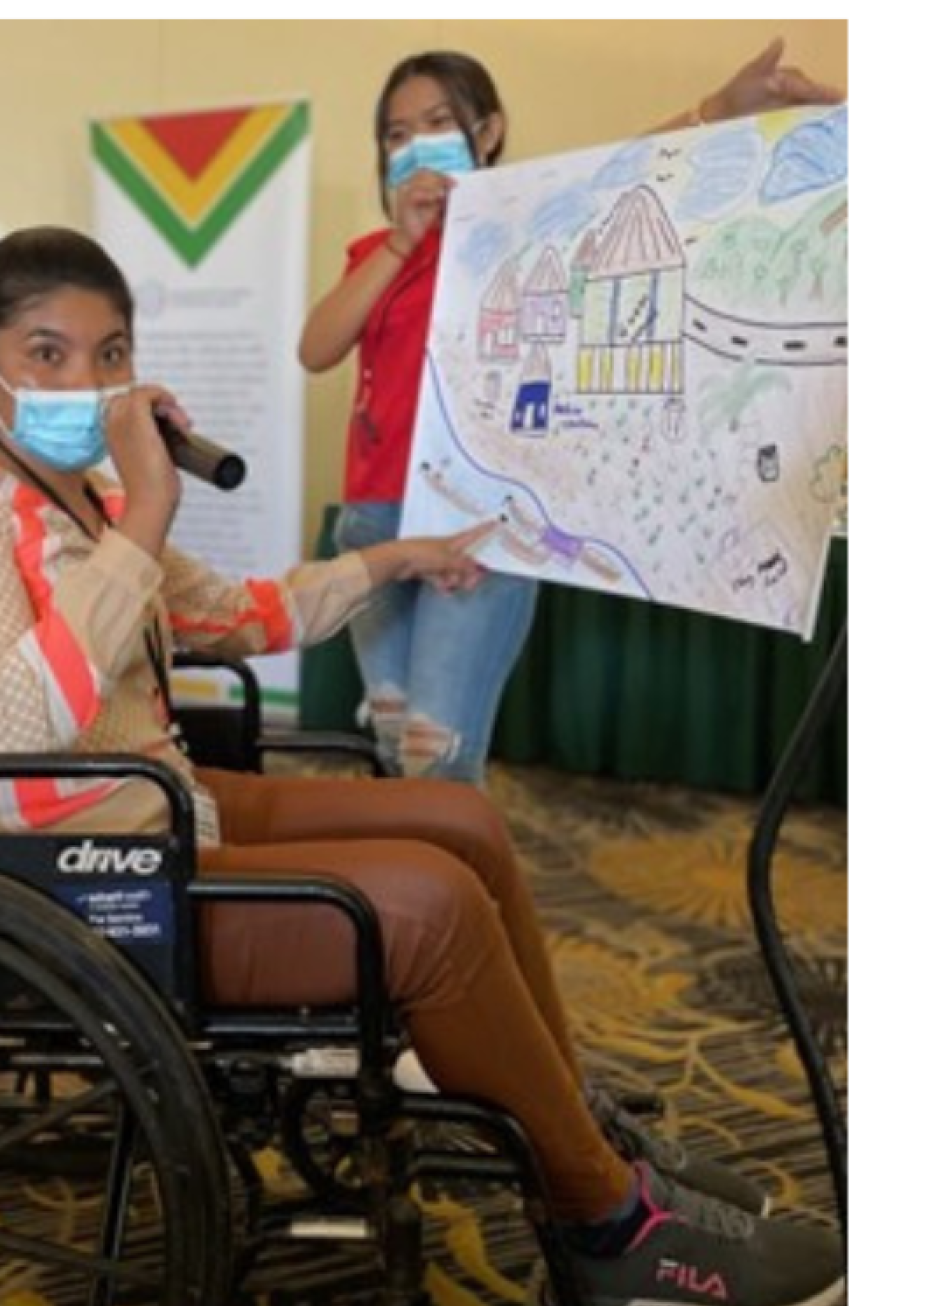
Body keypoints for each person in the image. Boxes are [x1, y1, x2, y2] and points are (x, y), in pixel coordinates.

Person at [0, 225, 843, 1306]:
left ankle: (574, 1126)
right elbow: (9, 720)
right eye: (45, 353)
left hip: (149, 812)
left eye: (108, 352)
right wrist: (141, 508)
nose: (83, 382)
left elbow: (234, 614)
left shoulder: (74, 494)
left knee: (458, 817)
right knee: (424, 904)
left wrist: (397, 559)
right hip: (64, 875)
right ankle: (606, 1228)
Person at [299, 39, 846, 785]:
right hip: (373, 521)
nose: (412, 144)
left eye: (435, 122)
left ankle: (449, 893)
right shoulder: (375, 250)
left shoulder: (523, 225)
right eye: (395, 133)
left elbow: (614, 177)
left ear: (486, 131)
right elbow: (316, 347)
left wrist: (720, 111)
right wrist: (400, 242)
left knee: (437, 752)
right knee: (393, 738)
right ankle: (420, 893)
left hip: (475, 531)